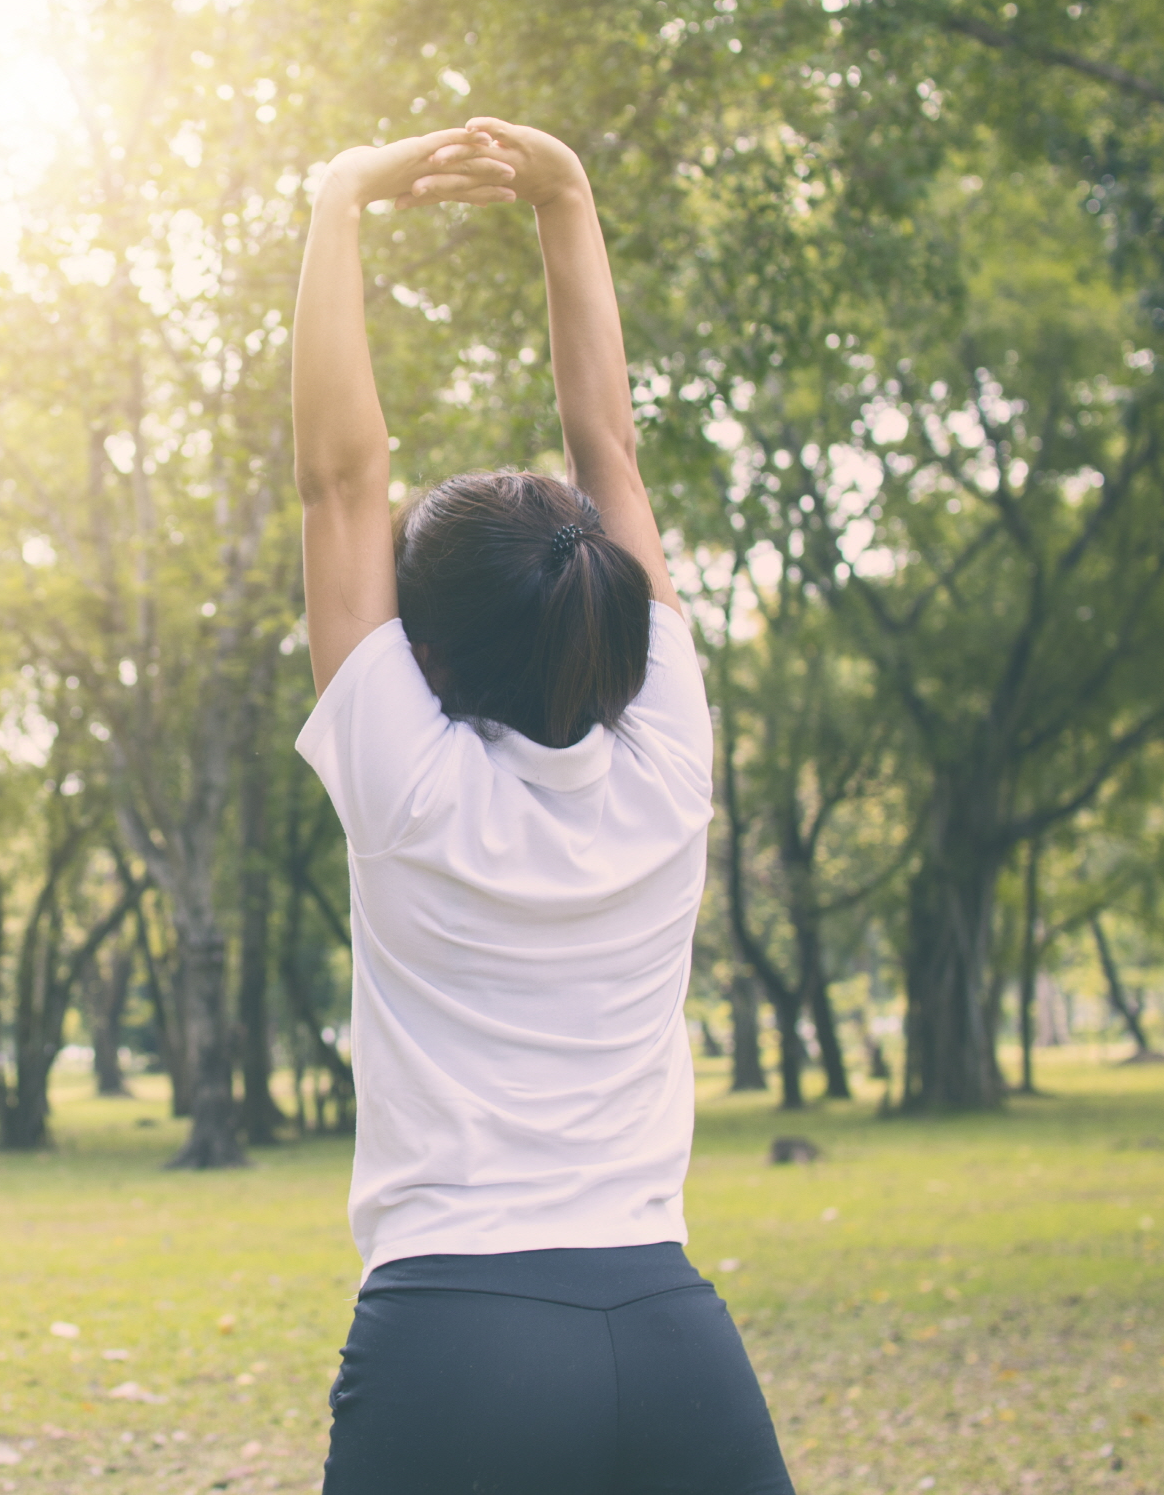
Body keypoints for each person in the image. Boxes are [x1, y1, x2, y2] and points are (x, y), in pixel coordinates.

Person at [290, 117, 795, 1495]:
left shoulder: (409, 779)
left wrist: (339, 196)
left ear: (425, 653)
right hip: (672, 1335)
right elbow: (611, 447)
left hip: (457, 1341)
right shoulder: (667, 752)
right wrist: (565, 192)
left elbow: (343, 477)